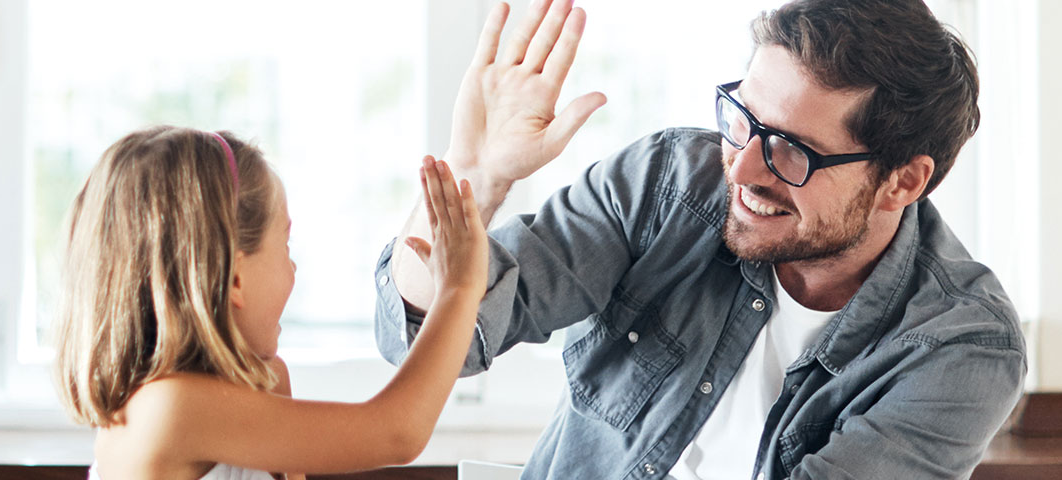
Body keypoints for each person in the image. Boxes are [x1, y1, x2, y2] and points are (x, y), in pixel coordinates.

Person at [374, 0, 1025, 478]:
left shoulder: (960, 345)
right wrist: (475, 177)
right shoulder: (666, 183)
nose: (740, 168)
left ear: (901, 182)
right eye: (743, 118)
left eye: (791, 152)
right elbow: (426, 343)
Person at [52, 125, 491, 480]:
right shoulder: (170, 408)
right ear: (236, 278)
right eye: (285, 244)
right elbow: (398, 432)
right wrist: (459, 289)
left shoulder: (256, 388)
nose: (295, 269)